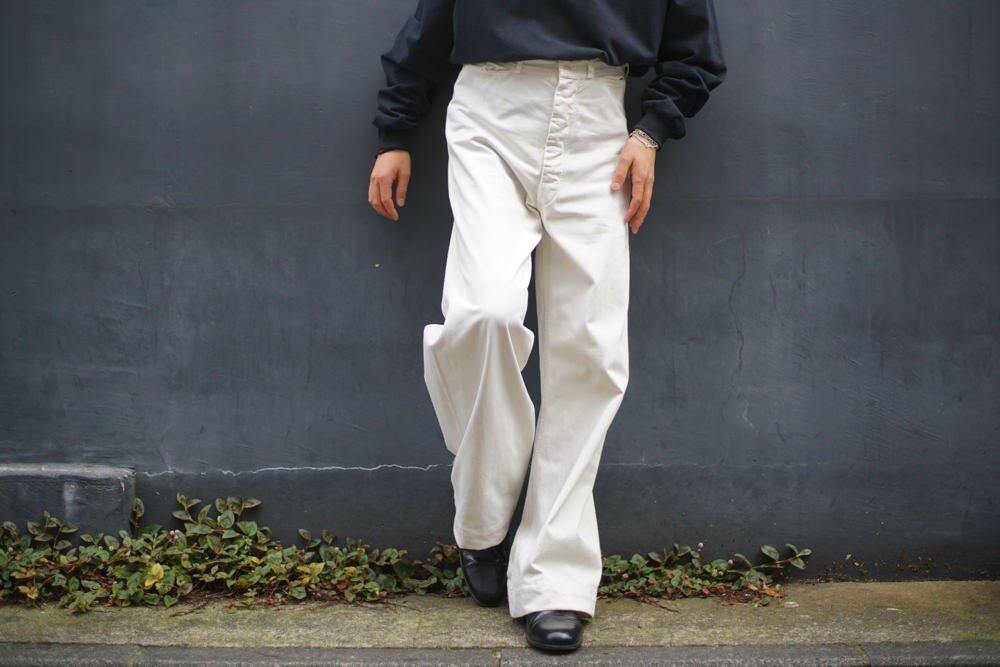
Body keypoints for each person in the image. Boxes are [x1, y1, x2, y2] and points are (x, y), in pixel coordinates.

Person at [368, 0, 726, 653]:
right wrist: (396, 130)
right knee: (483, 313)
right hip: (490, 109)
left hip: (599, 119)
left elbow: (694, 45)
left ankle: (554, 579)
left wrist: (651, 132)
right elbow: (434, 19)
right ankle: (484, 518)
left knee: (589, 351)